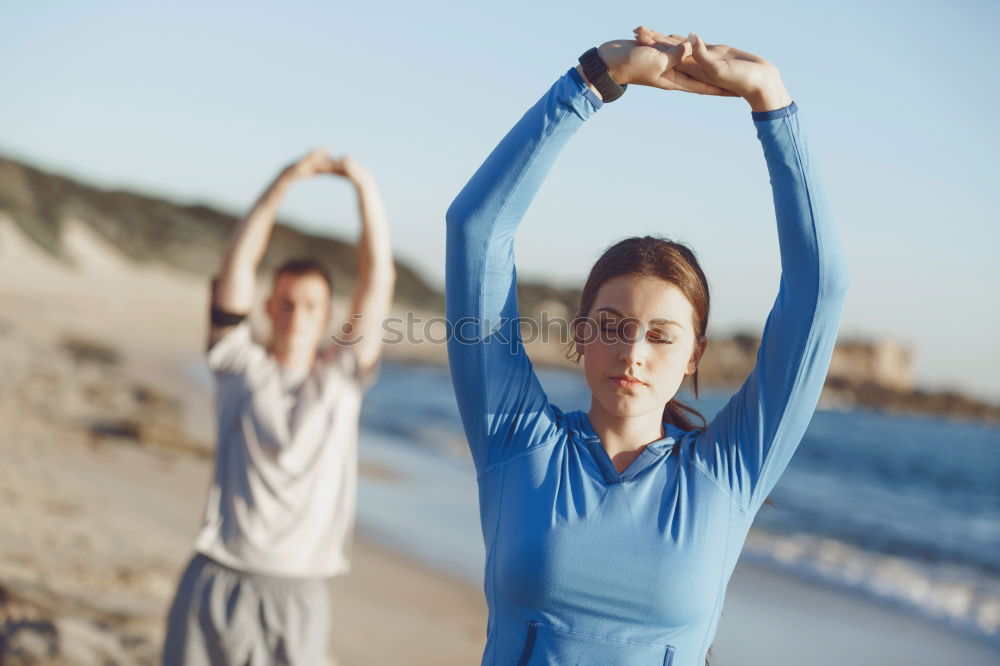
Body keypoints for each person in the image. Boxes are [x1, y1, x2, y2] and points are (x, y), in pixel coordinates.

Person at [445, 26, 849, 666]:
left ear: (694, 355)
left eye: (662, 335)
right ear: (581, 336)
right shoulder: (516, 439)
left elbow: (818, 290)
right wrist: (591, 79)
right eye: (611, 325)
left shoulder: (728, 472)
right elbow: (476, 232)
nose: (632, 352)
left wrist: (771, 100)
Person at [162, 149, 395, 665]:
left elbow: (377, 280)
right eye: (285, 302)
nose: (295, 315)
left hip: (299, 592)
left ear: (328, 315)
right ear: (268, 307)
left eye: (310, 306)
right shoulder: (239, 366)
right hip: (217, 578)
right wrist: (285, 180)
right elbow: (237, 264)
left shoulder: (342, 380)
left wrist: (364, 188)